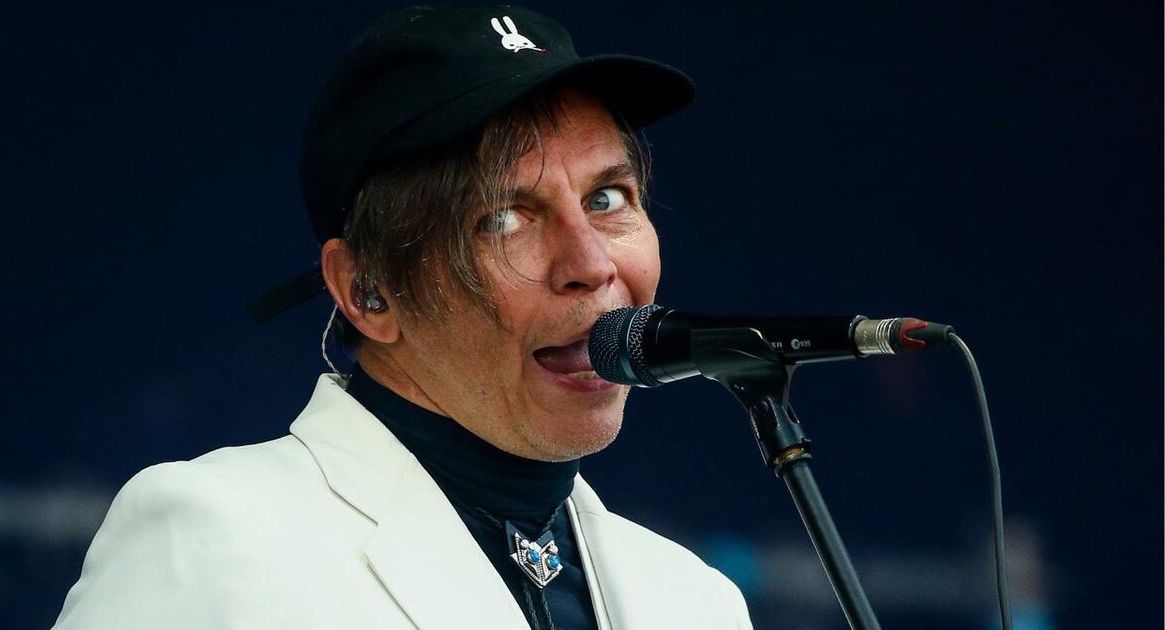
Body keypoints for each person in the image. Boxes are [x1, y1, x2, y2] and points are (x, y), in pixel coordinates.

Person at [53, 6, 752, 629]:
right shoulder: (216, 536)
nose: (592, 264)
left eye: (607, 199)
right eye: (503, 218)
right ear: (368, 292)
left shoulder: (696, 602)